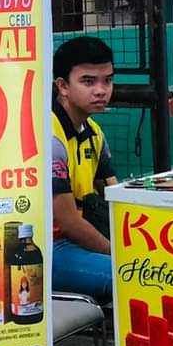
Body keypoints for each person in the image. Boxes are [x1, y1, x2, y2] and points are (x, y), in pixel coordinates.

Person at [51, 36, 117, 303]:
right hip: (47, 249)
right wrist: (117, 252)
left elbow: (117, 193)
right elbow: (68, 222)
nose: (101, 90)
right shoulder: (50, 137)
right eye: (88, 81)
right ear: (63, 86)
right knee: (137, 275)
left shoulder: (95, 133)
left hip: (77, 243)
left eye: (108, 80)